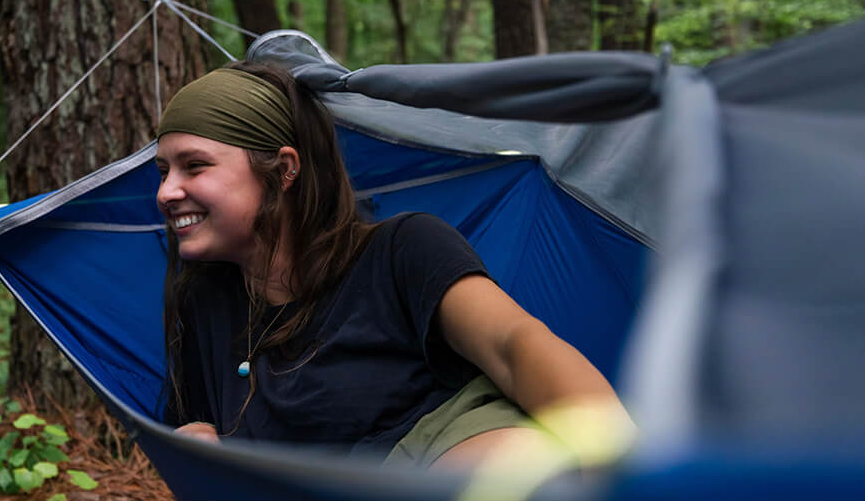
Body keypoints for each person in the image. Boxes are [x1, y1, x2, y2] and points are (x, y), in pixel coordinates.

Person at [157, 61, 631, 468]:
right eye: (163, 172)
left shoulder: (402, 250)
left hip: (454, 469)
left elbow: (514, 346)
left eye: (195, 166)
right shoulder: (205, 304)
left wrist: (619, 466)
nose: (165, 193)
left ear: (284, 170)